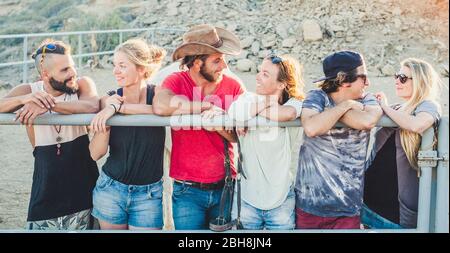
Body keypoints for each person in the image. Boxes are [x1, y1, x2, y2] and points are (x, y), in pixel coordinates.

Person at [0, 39, 100, 230]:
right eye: (64, 70)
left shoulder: (82, 85)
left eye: (72, 66)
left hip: (84, 191)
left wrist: (46, 105)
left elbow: (92, 105)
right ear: (45, 74)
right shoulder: (29, 91)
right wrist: (26, 99)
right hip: (45, 192)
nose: (72, 73)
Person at [153, 24, 245, 229]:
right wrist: (203, 107)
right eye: (217, 60)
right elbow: (160, 105)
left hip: (225, 186)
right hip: (187, 191)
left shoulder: (234, 86)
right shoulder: (176, 81)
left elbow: (240, 136)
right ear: (196, 63)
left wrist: (217, 124)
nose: (223, 66)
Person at [295, 51, 383, 229]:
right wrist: (346, 105)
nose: (368, 83)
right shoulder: (316, 96)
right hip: (309, 206)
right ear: (344, 80)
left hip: (347, 208)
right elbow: (311, 128)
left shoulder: (368, 98)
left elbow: (367, 121)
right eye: (363, 77)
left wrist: (328, 115)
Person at [88, 38, 166, 230]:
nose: (115, 71)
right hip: (111, 190)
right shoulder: (109, 99)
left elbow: (165, 110)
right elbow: (95, 154)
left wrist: (122, 108)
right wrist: (107, 122)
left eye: (122, 66)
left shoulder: (158, 95)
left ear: (141, 69)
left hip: (148, 195)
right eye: (115, 65)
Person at [363, 58, 443, 229]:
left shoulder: (428, 105)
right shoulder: (398, 108)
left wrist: (385, 107)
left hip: (395, 214)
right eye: (396, 76)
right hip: (367, 204)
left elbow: (417, 124)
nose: (397, 81)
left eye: (403, 78)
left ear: (420, 81)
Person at [227, 54, 304, 230]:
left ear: (281, 84)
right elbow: (234, 112)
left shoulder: (295, 103)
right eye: (260, 71)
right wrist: (266, 104)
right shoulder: (247, 97)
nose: (257, 76)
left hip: (281, 200)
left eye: (265, 74)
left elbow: (288, 114)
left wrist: (252, 112)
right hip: (247, 199)